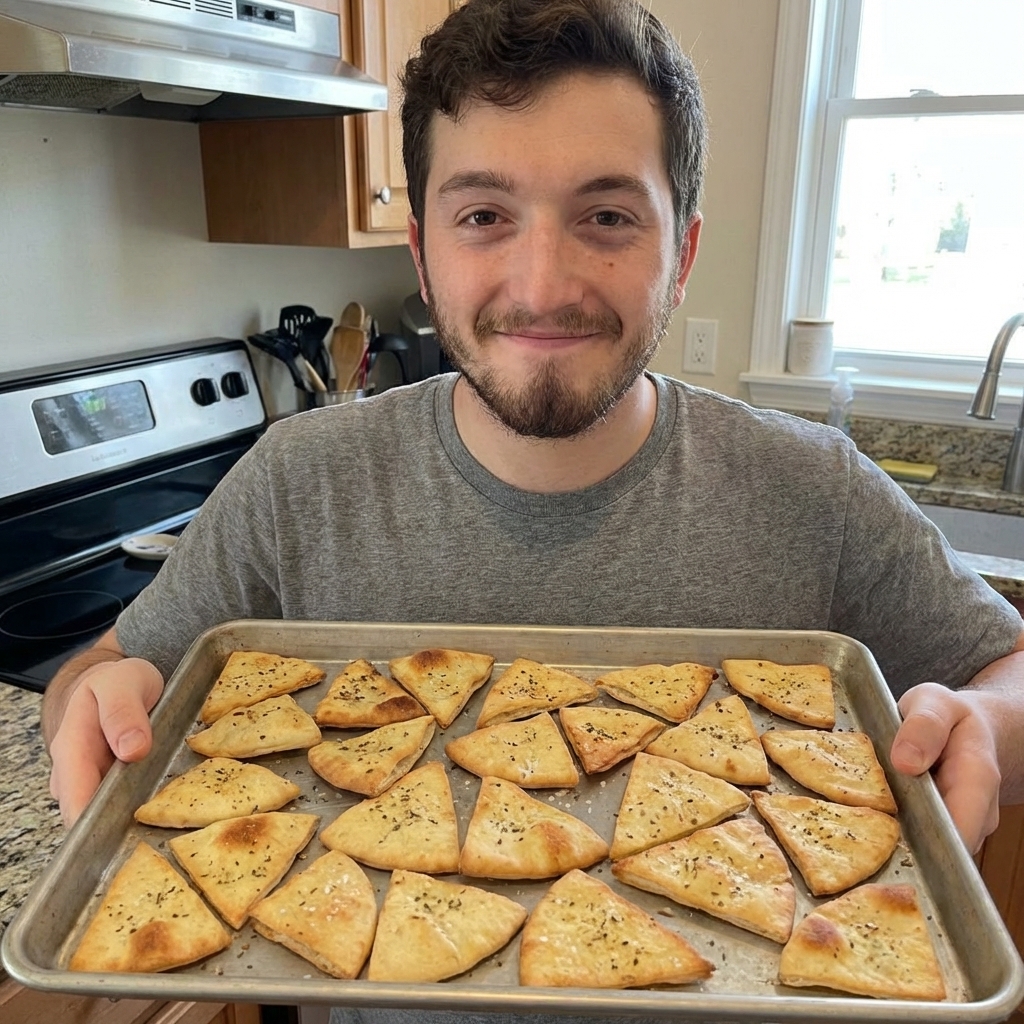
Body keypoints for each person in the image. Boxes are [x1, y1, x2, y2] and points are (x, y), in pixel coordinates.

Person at [42, 3, 1022, 1020]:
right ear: (422, 253)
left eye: (607, 217)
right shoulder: (299, 483)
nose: (544, 284)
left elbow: (1008, 672)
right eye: (483, 215)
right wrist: (96, 700)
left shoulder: (813, 489)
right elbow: (99, 680)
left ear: (681, 253)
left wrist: (987, 724)